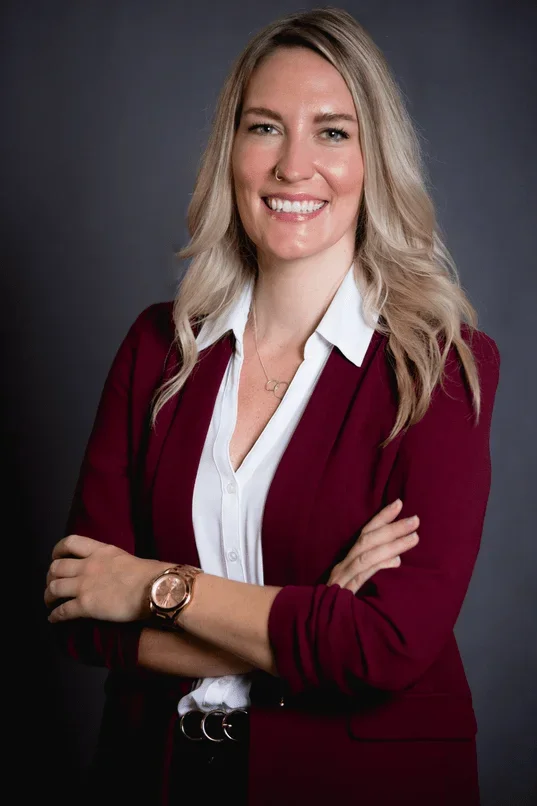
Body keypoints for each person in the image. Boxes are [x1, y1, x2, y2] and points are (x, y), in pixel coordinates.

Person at [44, 7, 501, 806]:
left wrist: (156, 587)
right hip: (157, 775)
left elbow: (383, 647)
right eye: (264, 128)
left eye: (331, 132)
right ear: (231, 155)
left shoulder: (439, 368)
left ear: (374, 159)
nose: (295, 165)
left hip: (357, 785)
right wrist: (311, 617)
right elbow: (84, 610)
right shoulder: (157, 349)